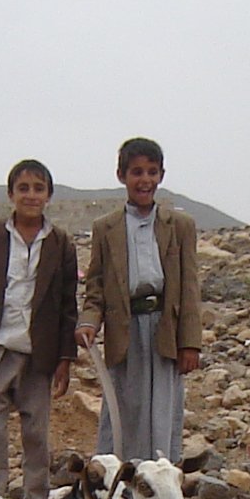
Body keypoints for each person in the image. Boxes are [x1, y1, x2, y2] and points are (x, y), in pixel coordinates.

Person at [0, 158, 80, 499]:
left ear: (49, 196)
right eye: (23, 188)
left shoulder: (61, 244)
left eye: (38, 189)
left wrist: (65, 360)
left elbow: (68, 306)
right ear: (11, 194)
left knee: (36, 435)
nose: (31, 195)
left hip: (38, 355)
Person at [77, 136, 202, 461]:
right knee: (122, 407)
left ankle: (160, 481)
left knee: (163, 408)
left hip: (164, 329)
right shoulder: (106, 228)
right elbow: (97, 287)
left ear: (161, 175)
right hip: (125, 329)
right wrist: (89, 322)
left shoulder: (180, 226)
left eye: (151, 172)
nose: (144, 180)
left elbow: (189, 288)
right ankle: (115, 482)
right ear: (122, 176)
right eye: (136, 172)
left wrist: (190, 343)